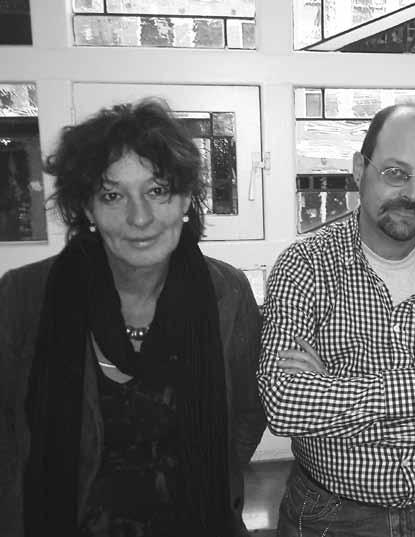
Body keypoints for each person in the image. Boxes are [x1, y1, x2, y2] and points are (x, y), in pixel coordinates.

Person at [0, 98, 266, 537]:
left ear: (185, 199)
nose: (139, 217)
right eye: (112, 195)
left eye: (157, 190)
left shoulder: (227, 293)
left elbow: (246, 417)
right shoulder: (23, 297)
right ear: (87, 208)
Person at [259, 104, 415, 537]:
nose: (413, 194)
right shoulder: (304, 265)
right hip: (330, 513)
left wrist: (332, 392)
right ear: (360, 169)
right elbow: (284, 405)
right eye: (396, 172)